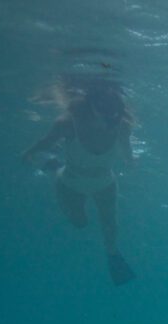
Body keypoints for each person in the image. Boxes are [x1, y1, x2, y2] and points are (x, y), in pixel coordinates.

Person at [22, 77, 136, 285]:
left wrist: (130, 160)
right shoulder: (67, 123)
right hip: (70, 182)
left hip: (105, 182)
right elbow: (46, 142)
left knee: (110, 224)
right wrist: (28, 153)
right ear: (91, 105)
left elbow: (129, 157)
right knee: (80, 223)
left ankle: (113, 257)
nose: (110, 114)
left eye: (115, 109)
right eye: (104, 108)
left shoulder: (122, 126)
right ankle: (55, 167)